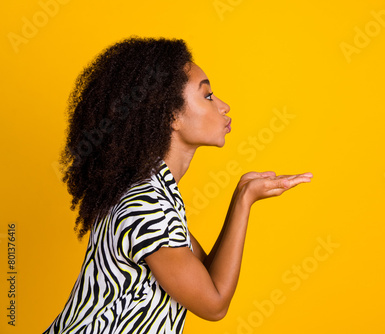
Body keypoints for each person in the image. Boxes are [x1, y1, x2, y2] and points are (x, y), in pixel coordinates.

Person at [43, 36, 313, 334]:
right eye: (208, 96)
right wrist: (244, 201)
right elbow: (214, 304)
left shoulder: (152, 193)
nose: (224, 106)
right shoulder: (146, 206)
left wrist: (243, 193)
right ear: (171, 115)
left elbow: (207, 277)